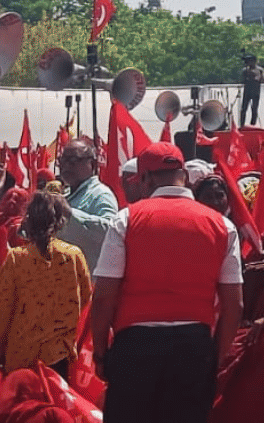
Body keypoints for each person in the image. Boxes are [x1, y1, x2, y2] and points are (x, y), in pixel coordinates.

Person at [91, 142, 243, 423]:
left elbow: (103, 298)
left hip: (135, 348)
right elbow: (235, 303)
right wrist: (215, 355)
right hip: (194, 348)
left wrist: (100, 353)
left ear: (146, 178)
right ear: (183, 175)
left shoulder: (126, 219)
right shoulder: (223, 226)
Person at [0, 191, 92, 376]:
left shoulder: (17, 258)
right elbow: (85, 296)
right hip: (59, 355)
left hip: (20, 356)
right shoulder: (74, 255)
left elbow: (4, 308)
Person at [58, 138, 118, 274]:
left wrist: (70, 214)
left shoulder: (101, 194)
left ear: (92, 164)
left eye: (73, 160)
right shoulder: (65, 195)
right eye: (62, 160)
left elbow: (110, 232)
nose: (66, 166)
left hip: (87, 284)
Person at [239, 55, 264, 127]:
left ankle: (253, 124)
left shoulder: (259, 70)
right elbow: (243, 80)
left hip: (255, 91)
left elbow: (261, 78)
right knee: (244, 109)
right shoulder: (245, 70)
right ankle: (242, 124)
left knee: (254, 109)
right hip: (247, 91)